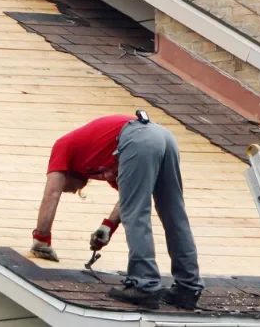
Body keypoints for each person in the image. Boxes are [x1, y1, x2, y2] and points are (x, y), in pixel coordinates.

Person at [32, 112, 203, 311]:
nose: (68, 191)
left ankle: (144, 284)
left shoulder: (63, 146)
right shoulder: (98, 158)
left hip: (138, 137)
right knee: (173, 212)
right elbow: (126, 198)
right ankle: (187, 288)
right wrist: (108, 226)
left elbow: (51, 193)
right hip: (162, 136)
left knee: (137, 213)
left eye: (66, 187)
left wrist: (41, 239)